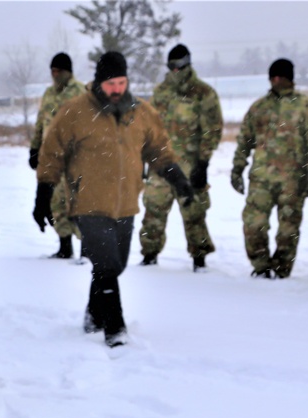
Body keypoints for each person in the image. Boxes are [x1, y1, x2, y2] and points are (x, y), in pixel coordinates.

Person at [35, 51, 193, 348]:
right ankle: (115, 329)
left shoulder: (141, 113)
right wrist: (43, 193)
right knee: (106, 265)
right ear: (98, 83)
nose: (117, 89)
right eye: (111, 84)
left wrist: (178, 179)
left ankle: (94, 316)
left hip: (126, 203)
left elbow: (158, 149)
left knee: (114, 265)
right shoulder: (75, 112)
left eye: (121, 82)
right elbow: (51, 153)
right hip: (89, 202)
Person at [231, 58, 308, 279]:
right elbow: (245, 140)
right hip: (261, 179)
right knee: (253, 224)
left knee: (288, 230)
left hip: (293, 180)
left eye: (281, 77)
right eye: (273, 77)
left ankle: (282, 268)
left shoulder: (306, 108)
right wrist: (237, 168)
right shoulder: (259, 107)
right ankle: (261, 265)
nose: (277, 81)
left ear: (290, 78)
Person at [139, 43, 223, 272]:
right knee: (153, 211)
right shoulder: (161, 92)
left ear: (187, 64)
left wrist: (203, 162)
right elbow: (149, 127)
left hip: (189, 165)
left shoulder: (203, 94)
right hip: (161, 164)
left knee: (193, 213)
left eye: (178, 66)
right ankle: (148, 255)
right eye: (170, 66)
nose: (174, 71)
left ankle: (199, 259)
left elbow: (212, 129)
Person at [29, 52, 86, 259]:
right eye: (52, 71)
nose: (54, 75)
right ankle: (64, 246)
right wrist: (35, 149)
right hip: (52, 160)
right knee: (56, 204)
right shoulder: (49, 94)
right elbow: (40, 123)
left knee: (78, 203)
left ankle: (87, 251)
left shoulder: (80, 93)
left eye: (58, 71)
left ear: (67, 72)